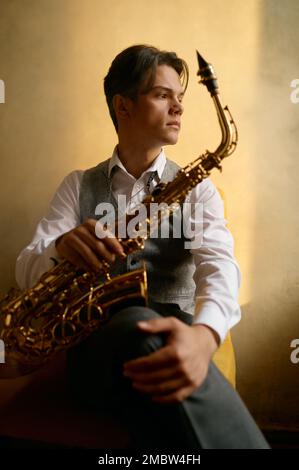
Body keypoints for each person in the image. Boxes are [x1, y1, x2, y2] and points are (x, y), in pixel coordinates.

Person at [15, 44, 269, 449]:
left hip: (172, 341)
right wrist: (60, 247)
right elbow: (26, 268)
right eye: (162, 95)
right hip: (96, 356)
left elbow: (219, 266)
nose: (179, 108)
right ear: (123, 106)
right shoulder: (77, 184)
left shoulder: (198, 189)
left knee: (157, 383)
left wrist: (203, 339)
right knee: (138, 324)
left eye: (180, 98)